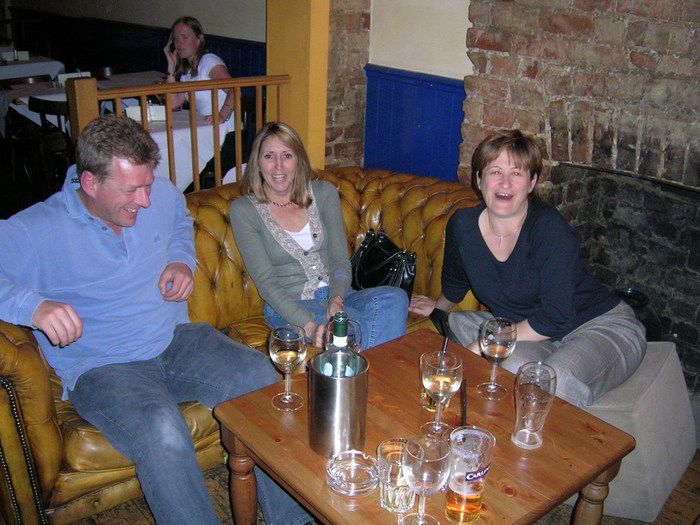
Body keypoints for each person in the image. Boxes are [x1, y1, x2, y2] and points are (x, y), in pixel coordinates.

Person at [0, 115, 310, 525]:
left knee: (259, 378)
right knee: (162, 429)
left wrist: (180, 260)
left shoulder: (159, 194)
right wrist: (33, 306)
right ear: (89, 183)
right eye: (131, 190)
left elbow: (179, 220)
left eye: (147, 184)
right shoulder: (36, 228)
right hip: (103, 367)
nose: (145, 200)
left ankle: (294, 520)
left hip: (175, 340)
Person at [410, 129, 646, 408]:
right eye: (495, 172)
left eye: (517, 173)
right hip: (531, 330)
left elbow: (556, 317)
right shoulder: (463, 225)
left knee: (556, 380)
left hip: (597, 324)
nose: (505, 183)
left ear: (532, 183)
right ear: (479, 179)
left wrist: (483, 344)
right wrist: (437, 309)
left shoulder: (548, 228)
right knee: (511, 368)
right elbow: (455, 282)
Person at [230, 122, 408, 348]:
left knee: (395, 298)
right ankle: (377, 369)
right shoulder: (244, 210)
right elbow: (267, 284)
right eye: (269, 156)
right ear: (257, 161)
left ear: (299, 160)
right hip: (291, 306)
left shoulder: (324, 193)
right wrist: (309, 326)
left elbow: (339, 260)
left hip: (340, 295)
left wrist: (336, 299)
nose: (278, 166)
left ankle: (368, 368)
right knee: (353, 325)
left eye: (287, 156)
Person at [164, 16, 241, 186]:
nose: (179, 43)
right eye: (176, 38)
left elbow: (235, 89)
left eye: (185, 37)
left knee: (180, 160)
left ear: (199, 40)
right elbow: (173, 103)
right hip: (207, 135)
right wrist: (171, 67)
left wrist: (221, 115)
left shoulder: (209, 61)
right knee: (175, 156)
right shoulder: (188, 70)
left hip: (227, 137)